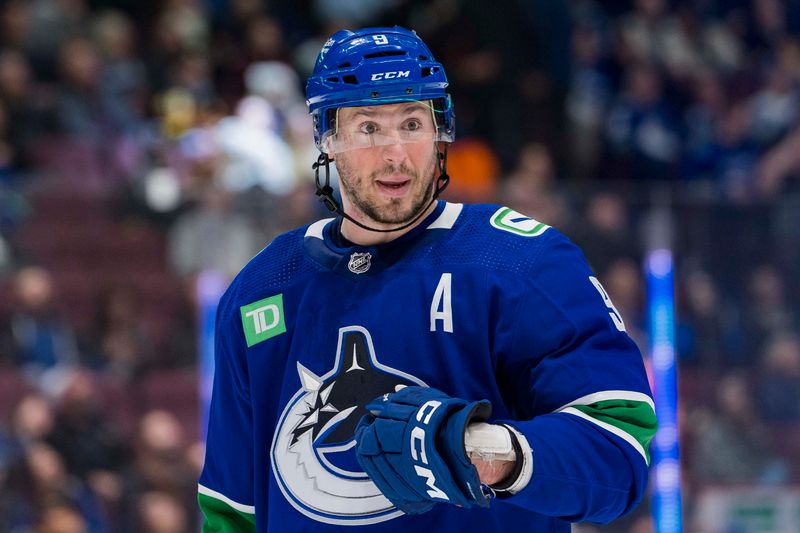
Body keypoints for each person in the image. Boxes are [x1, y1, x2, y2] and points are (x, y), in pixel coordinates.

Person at [198, 27, 657, 532]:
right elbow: (232, 510)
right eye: (369, 128)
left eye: (413, 123)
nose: (396, 154)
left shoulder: (524, 262)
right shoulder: (261, 289)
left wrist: (481, 450)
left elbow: (619, 452)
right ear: (327, 140)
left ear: (441, 133)